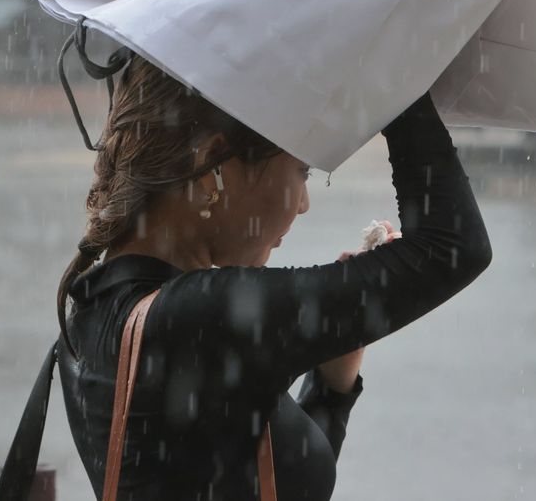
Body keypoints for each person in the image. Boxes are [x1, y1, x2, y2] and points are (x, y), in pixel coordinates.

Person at [49, 54, 493, 501]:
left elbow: (259, 478)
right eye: (301, 172)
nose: (302, 204)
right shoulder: (201, 319)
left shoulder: (88, 315)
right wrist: (397, 65)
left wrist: (331, 387)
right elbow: (454, 247)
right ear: (212, 170)